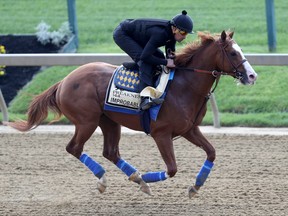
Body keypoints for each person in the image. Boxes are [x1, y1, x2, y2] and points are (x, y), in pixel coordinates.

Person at [113, 10, 193, 110]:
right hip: (123, 34)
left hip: (138, 36)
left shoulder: (171, 35)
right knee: (146, 63)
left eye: (186, 33)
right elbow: (145, 57)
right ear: (174, 29)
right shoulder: (160, 34)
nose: (185, 36)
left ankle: (136, 65)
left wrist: (174, 61)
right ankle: (145, 98)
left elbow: (170, 53)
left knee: (158, 56)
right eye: (183, 32)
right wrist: (166, 62)